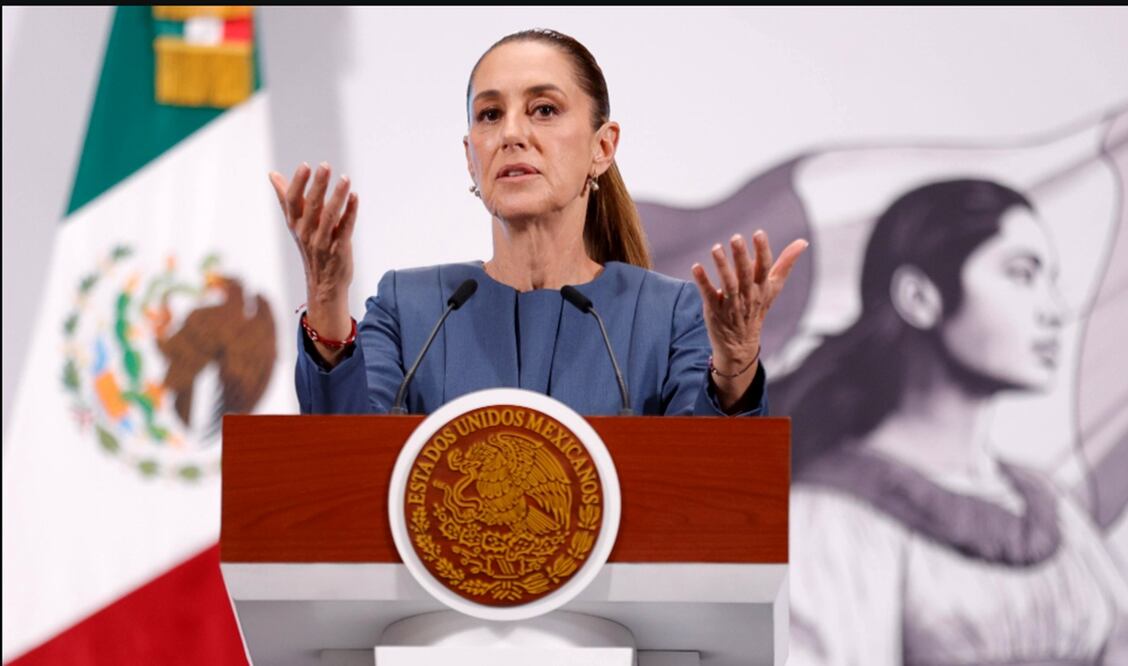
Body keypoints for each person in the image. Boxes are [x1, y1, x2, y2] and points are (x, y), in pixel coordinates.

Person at [268, 29, 807, 416]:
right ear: (470, 157)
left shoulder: (668, 316)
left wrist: (735, 364)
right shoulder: (409, 310)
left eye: (544, 109)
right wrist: (327, 294)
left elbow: (707, 487)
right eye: (490, 114)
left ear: (603, 147)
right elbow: (341, 466)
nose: (512, 134)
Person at [773, 179, 1128, 664]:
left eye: (1050, 280)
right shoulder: (831, 518)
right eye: (1022, 274)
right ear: (919, 297)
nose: (1054, 310)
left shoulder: (1055, 511)